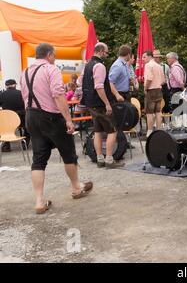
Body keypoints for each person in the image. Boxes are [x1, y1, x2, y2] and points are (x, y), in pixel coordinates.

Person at [20, 43, 93, 214]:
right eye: (54, 56)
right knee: (68, 153)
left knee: (38, 158)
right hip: (50, 117)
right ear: (50, 55)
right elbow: (58, 96)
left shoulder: (25, 72)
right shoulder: (51, 70)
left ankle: (39, 201)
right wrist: (68, 119)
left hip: (31, 116)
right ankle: (76, 188)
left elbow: (24, 96)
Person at [80, 43, 124, 169]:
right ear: (100, 51)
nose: (107, 54)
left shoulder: (87, 65)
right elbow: (99, 86)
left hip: (90, 104)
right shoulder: (99, 66)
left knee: (98, 131)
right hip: (100, 104)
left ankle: (100, 159)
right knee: (112, 131)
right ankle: (109, 160)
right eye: (106, 52)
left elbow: (80, 81)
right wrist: (107, 104)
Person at [0, 79, 29, 152]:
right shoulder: (21, 93)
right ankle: (25, 142)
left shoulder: (1, 95)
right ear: (15, 85)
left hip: (8, 122)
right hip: (21, 120)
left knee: (3, 125)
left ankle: (6, 145)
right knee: (28, 125)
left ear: (6, 86)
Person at [143, 50, 165, 136]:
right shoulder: (159, 66)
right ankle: (159, 131)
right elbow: (163, 81)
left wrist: (145, 88)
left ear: (149, 56)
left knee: (149, 113)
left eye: (144, 57)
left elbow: (149, 78)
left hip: (151, 90)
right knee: (158, 112)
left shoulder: (148, 65)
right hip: (159, 90)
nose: (143, 59)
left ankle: (150, 132)